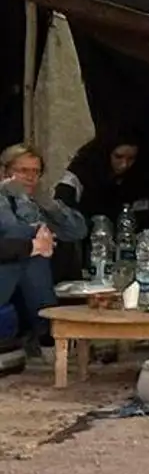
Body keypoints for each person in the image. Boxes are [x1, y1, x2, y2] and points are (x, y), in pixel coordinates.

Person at [1, 145, 87, 351]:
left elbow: (78, 231)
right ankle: (49, 334)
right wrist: (37, 243)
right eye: (23, 171)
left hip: (28, 280)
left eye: (36, 171)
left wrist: (48, 204)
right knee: (33, 250)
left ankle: (48, 333)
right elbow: (13, 230)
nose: (31, 177)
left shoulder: (37, 200)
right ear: (5, 172)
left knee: (36, 255)